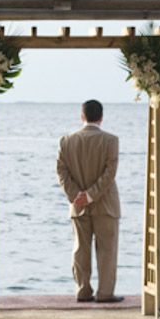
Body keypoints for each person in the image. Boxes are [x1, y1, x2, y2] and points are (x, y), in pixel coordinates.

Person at [56, 99, 122, 303]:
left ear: (82, 116)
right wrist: (92, 194)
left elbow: (61, 170)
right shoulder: (111, 140)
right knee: (107, 250)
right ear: (101, 117)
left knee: (80, 249)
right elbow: (110, 173)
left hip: (78, 205)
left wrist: (77, 195)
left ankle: (83, 290)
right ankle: (105, 293)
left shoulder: (66, 140)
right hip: (106, 204)